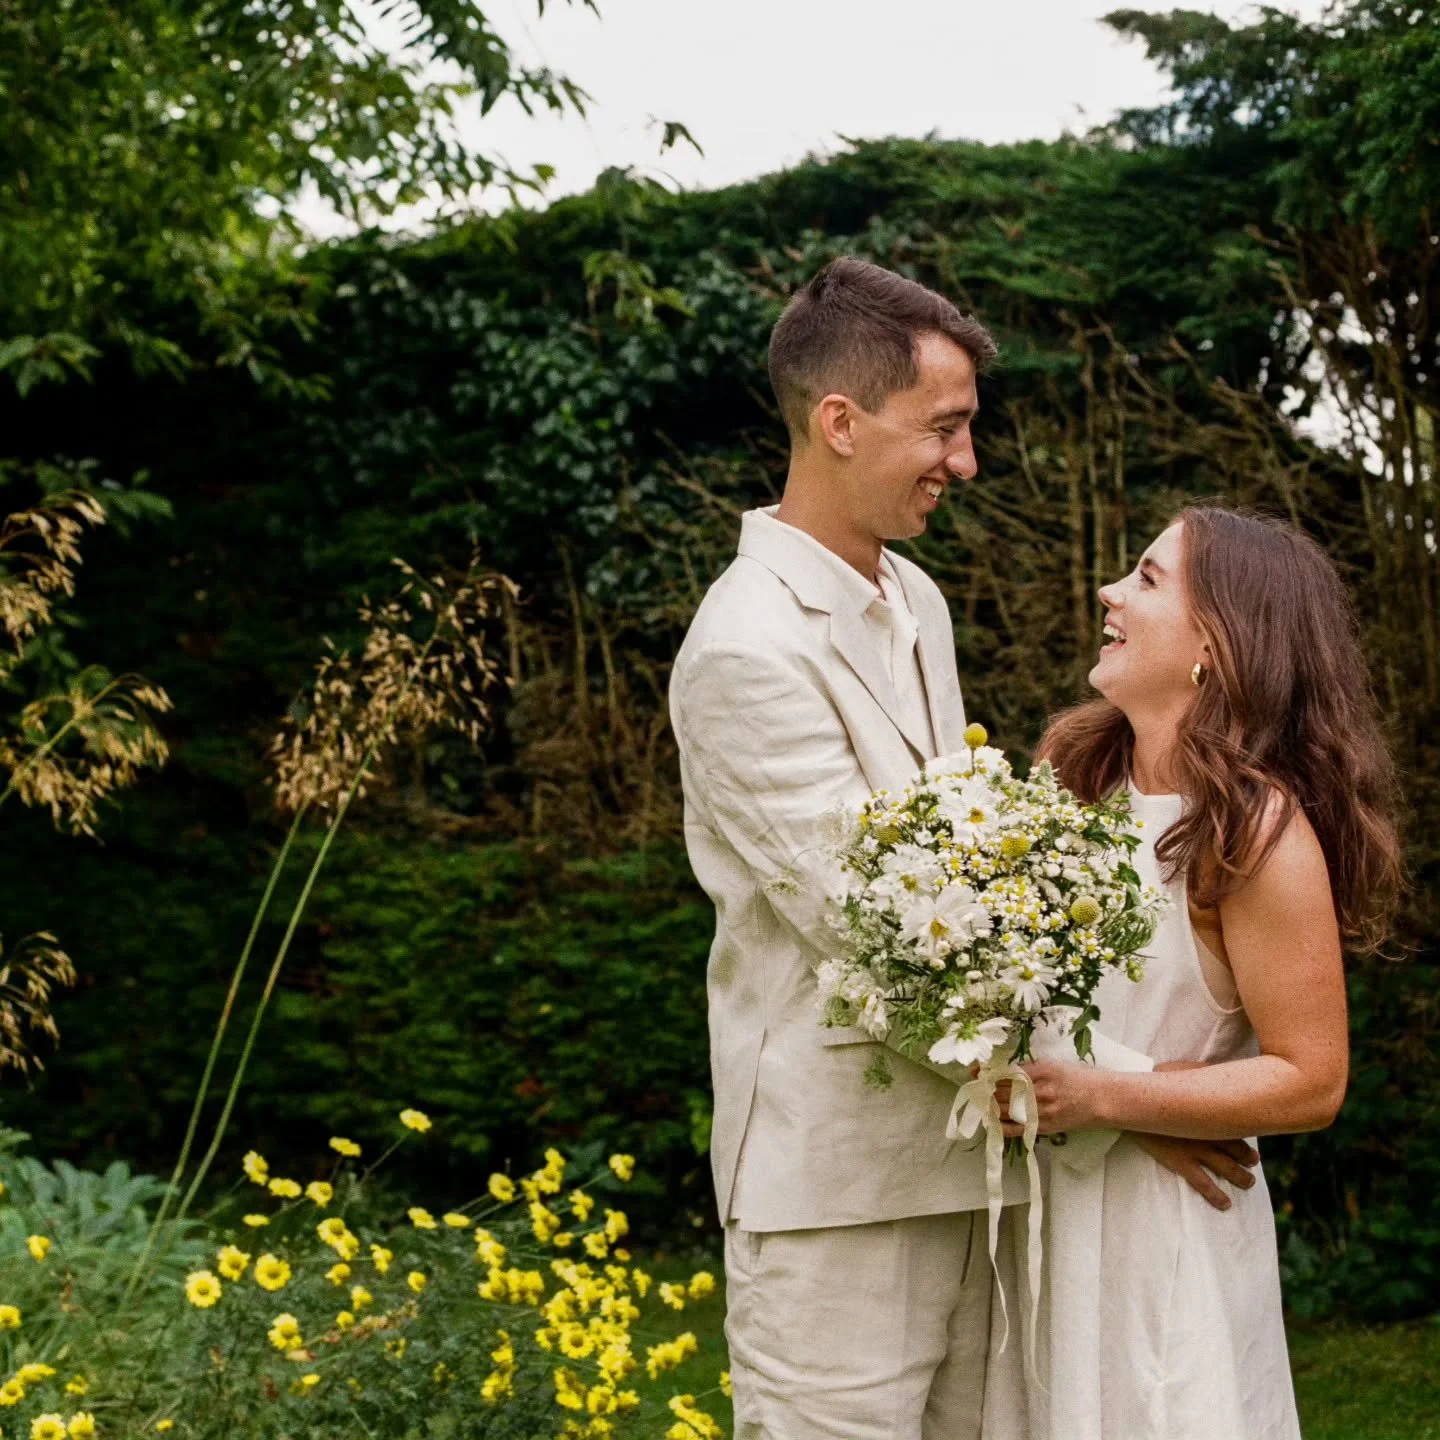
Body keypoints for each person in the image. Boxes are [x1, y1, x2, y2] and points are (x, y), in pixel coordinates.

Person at [668, 256, 1256, 1440]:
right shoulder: (744, 651)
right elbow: (884, 938)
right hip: (837, 1196)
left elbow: (964, 887)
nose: (967, 461)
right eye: (945, 427)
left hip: (981, 1168)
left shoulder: (918, 603)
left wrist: (1080, 1092)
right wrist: (1115, 1095)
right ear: (840, 422)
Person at [999, 506, 1402, 1440]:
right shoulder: (1067, 772)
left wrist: (1109, 1100)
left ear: (1216, 646)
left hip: (1165, 1234)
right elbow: (1002, 985)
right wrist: (1111, 1105)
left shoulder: (1254, 834)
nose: (1108, 591)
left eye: (1145, 579)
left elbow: (1312, 1077)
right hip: (1039, 1208)